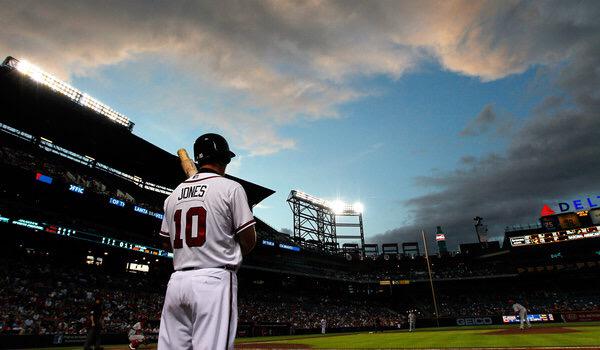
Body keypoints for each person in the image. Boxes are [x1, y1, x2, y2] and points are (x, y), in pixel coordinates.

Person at [158, 133, 257, 350]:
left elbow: (166, 242)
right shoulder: (231, 188)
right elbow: (249, 238)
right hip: (214, 279)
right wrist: (225, 246)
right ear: (225, 160)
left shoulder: (172, 196)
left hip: (176, 283)